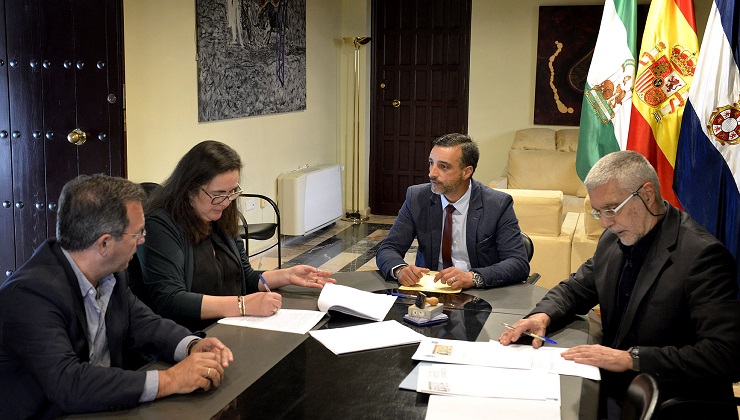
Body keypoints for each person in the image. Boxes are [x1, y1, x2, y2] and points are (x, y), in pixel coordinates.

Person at [498, 150, 740, 418]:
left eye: (612, 209)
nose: (605, 222)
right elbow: (577, 287)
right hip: (614, 390)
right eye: (598, 212)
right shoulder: (615, 237)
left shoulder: (702, 255)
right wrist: (542, 316)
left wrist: (632, 358)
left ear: (647, 194)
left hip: (670, 402)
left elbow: (726, 354)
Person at [0, 174, 234, 419]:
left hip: (105, 406)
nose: (142, 242)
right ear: (104, 244)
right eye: (138, 234)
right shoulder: (29, 296)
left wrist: (191, 346)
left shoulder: (111, 274)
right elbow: (68, 383)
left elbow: (144, 323)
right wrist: (170, 380)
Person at [134, 140, 335, 332]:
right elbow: (171, 300)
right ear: (189, 190)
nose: (226, 202)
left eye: (232, 192)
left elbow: (244, 278)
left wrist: (286, 275)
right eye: (219, 193)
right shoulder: (160, 225)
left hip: (233, 325)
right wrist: (242, 305)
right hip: (192, 335)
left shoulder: (220, 215)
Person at [375, 133, 530, 289]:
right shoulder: (417, 197)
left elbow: (518, 263)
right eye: (431, 163)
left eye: (443, 166)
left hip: (480, 296)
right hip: (430, 291)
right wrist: (400, 270)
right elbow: (389, 248)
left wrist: (472, 277)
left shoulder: (497, 205)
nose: (432, 173)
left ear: (467, 172)